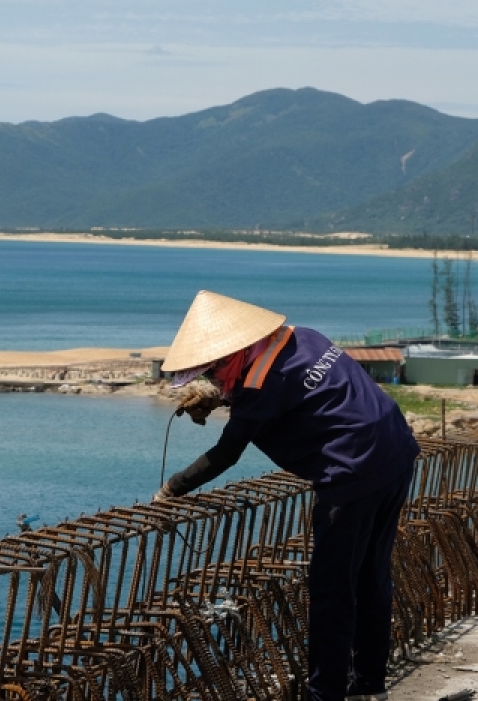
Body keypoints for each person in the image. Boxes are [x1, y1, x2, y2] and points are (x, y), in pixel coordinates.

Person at [155, 290, 419, 701]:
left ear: (231, 356)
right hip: (397, 451)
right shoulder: (303, 337)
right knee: (371, 577)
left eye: (212, 374)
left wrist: (173, 487)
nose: (212, 382)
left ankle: (324, 694)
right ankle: (369, 686)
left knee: (331, 592)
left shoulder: (258, 386)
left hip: (352, 472)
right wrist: (227, 396)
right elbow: (298, 394)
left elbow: (226, 453)